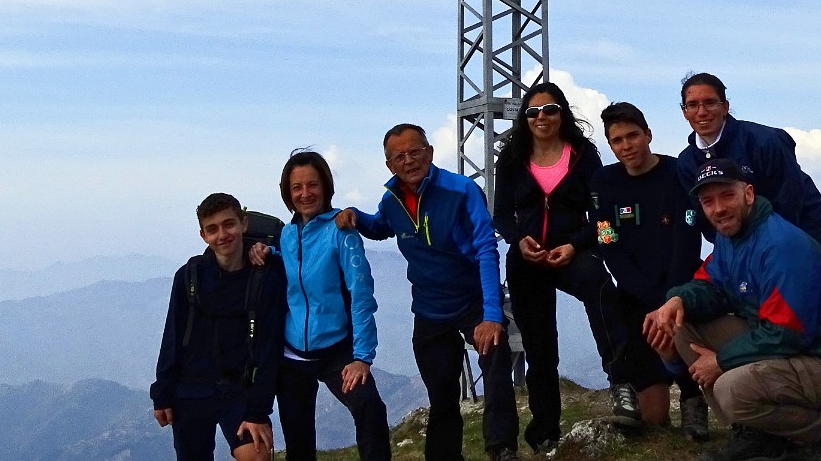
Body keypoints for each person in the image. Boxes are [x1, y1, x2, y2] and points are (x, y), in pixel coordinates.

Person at [646, 161, 821, 461]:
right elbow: (711, 286)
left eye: (727, 196)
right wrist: (677, 300)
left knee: (730, 389)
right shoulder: (731, 238)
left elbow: (786, 334)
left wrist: (722, 361)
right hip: (793, 347)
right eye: (708, 201)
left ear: (748, 194)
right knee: (681, 323)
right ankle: (758, 432)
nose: (718, 209)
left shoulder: (781, 246)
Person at [337, 123, 519, 461]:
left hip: (472, 300)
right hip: (429, 309)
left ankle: (501, 448)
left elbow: (486, 249)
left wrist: (492, 316)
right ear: (390, 165)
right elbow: (381, 227)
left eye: (415, 151)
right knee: (442, 393)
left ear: (430, 152)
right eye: (398, 156)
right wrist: (355, 218)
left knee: (495, 360)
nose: (408, 160)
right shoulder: (392, 201)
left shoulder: (461, 190)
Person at [492, 82, 644, 446]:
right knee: (540, 344)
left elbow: (601, 214)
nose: (541, 117)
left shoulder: (583, 154)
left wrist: (576, 245)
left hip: (572, 250)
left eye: (550, 110)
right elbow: (500, 216)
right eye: (533, 112)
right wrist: (518, 240)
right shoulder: (511, 157)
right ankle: (545, 431)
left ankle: (621, 384)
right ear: (525, 118)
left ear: (563, 113)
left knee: (603, 293)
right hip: (527, 256)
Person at [251, 150, 390, 461]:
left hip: (336, 351)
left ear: (326, 186)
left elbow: (361, 295)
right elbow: (290, 263)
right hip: (292, 355)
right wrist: (265, 251)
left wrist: (362, 357)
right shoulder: (286, 235)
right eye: (296, 188)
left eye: (312, 185)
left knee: (370, 409)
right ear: (287, 193)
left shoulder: (342, 231)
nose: (305, 194)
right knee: (299, 444)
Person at [591, 101, 710, 440]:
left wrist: (668, 297)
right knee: (654, 420)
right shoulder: (603, 183)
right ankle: (631, 386)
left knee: (681, 334)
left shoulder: (677, 174)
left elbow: (687, 240)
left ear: (648, 134)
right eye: (617, 140)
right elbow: (607, 241)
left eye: (633, 136)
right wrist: (644, 295)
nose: (626, 146)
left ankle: (692, 398)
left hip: (679, 289)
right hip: (635, 295)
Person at [151, 192, 287, 461]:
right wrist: (162, 395)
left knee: (257, 455)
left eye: (229, 224)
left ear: (243, 224)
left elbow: (269, 347)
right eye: (212, 229)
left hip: (240, 390)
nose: (222, 235)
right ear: (203, 235)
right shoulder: (189, 277)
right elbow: (173, 337)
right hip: (190, 389)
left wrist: (258, 412)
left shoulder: (265, 277)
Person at [674, 72, 821, 246]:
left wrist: (780, 249)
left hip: (798, 235)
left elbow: (790, 200)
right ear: (684, 112)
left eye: (710, 103)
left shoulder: (765, 142)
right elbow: (705, 217)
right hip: (740, 245)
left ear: (725, 107)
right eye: (693, 105)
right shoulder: (687, 162)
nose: (702, 112)